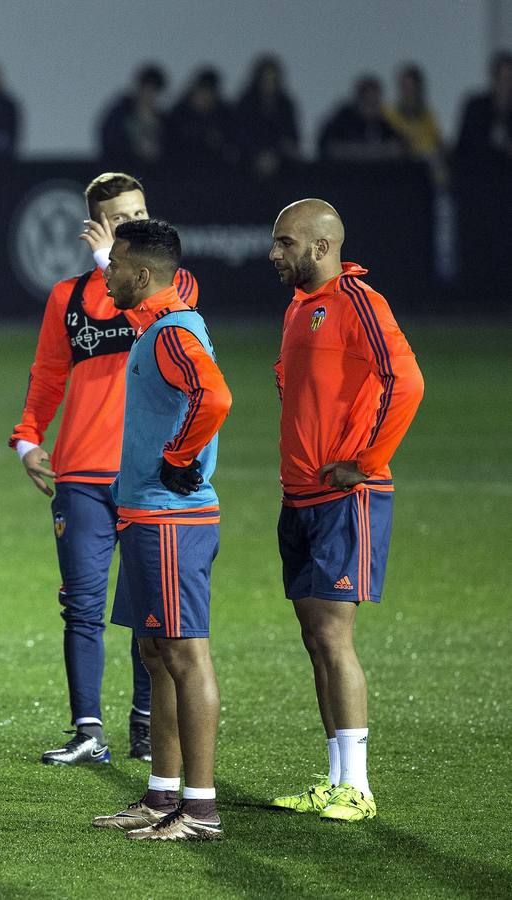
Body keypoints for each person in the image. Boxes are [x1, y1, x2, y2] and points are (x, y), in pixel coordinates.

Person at [11, 172, 199, 767]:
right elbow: (48, 375)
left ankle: (146, 727)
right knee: (84, 606)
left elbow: (165, 326)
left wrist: (107, 262)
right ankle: (88, 731)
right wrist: (25, 440)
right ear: (96, 225)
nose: (133, 226)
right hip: (84, 473)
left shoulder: (174, 285)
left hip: (147, 472)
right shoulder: (68, 297)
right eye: (119, 220)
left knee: (150, 606)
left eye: (140, 213)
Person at [267, 199, 424, 822]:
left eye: (285, 243)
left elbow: (406, 382)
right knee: (315, 637)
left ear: (321, 246)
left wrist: (366, 457)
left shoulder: (360, 301)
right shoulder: (301, 307)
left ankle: (357, 786)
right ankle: (335, 778)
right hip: (301, 493)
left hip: (345, 496)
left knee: (334, 636)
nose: (274, 254)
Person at [90, 219, 231, 842]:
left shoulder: (172, 333)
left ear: (141, 275)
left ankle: (200, 811)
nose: (108, 277)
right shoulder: (159, 325)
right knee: (156, 655)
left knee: (184, 656)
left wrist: (178, 459)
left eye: (115, 266)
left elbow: (215, 397)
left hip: (173, 520)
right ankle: (162, 796)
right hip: (146, 516)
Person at [234, 55, 300, 177]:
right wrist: (258, 154)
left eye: (273, 80)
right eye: (266, 79)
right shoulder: (246, 103)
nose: (270, 85)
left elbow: (291, 137)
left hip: (281, 162)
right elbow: (241, 134)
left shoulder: (285, 105)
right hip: (249, 160)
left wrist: (276, 153)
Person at [318, 76, 406, 163]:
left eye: (376, 102)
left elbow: (400, 147)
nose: (373, 107)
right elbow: (330, 147)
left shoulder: (383, 124)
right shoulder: (341, 122)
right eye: (369, 102)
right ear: (360, 100)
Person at [165, 67, 239, 166]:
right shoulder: (179, 115)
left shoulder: (225, 117)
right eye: (202, 91)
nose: (205, 97)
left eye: (210, 93)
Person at [98, 65, 167, 164]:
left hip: (152, 173)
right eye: (147, 90)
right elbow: (111, 143)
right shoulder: (119, 115)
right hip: (123, 169)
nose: (149, 96)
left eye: (154, 91)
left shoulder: (162, 119)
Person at [455, 51, 512, 162]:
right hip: (478, 173)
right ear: (495, 79)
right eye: (504, 79)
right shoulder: (476, 108)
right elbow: (466, 147)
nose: (508, 85)